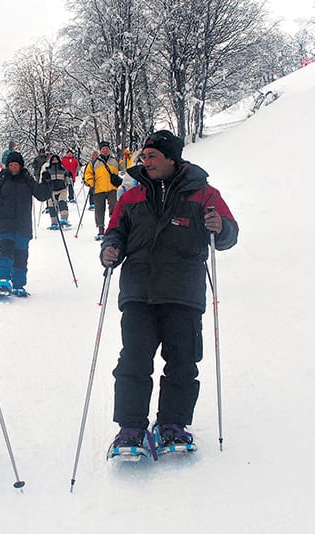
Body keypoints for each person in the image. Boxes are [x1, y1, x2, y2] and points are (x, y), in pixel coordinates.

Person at [99, 130, 239, 459]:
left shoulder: (204, 193)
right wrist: (111, 248)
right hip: (138, 291)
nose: (145, 162)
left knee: (182, 362)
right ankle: (131, 428)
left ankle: (172, 424)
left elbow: (228, 234)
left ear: (171, 159)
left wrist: (222, 227)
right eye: (144, 157)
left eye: (152, 157)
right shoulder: (130, 196)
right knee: (133, 360)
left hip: (183, 292)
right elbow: (115, 230)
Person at [0, 151, 52, 297]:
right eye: (11, 165)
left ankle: (18, 284)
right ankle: (3, 280)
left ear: (21, 165)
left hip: (23, 226)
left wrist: (47, 184)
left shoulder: (27, 180)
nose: (13, 167)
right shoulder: (3, 181)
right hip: (5, 225)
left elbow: (42, 195)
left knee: (21, 255)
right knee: (6, 251)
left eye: (16, 164)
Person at [84, 141, 122, 240]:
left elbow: (125, 167)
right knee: (99, 210)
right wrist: (90, 181)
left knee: (114, 209)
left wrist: (128, 157)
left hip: (112, 188)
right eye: (103, 149)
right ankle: (101, 230)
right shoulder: (94, 162)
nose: (105, 150)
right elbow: (88, 173)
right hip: (98, 189)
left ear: (109, 150)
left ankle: (114, 228)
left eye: (106, 148)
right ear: (100, 150)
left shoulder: (115, 161)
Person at [40, 154, 73, 230]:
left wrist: (69, 175)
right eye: (53, 159)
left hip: (62, 189)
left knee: (62, 202)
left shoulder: (63, 170)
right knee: (51, 206)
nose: (55, 161)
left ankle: (64, 218)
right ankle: (54, 222)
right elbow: (44, 180)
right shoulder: (48, 170)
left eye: (56, 159)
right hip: (51, 190)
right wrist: (44, 178)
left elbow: (68, 178)